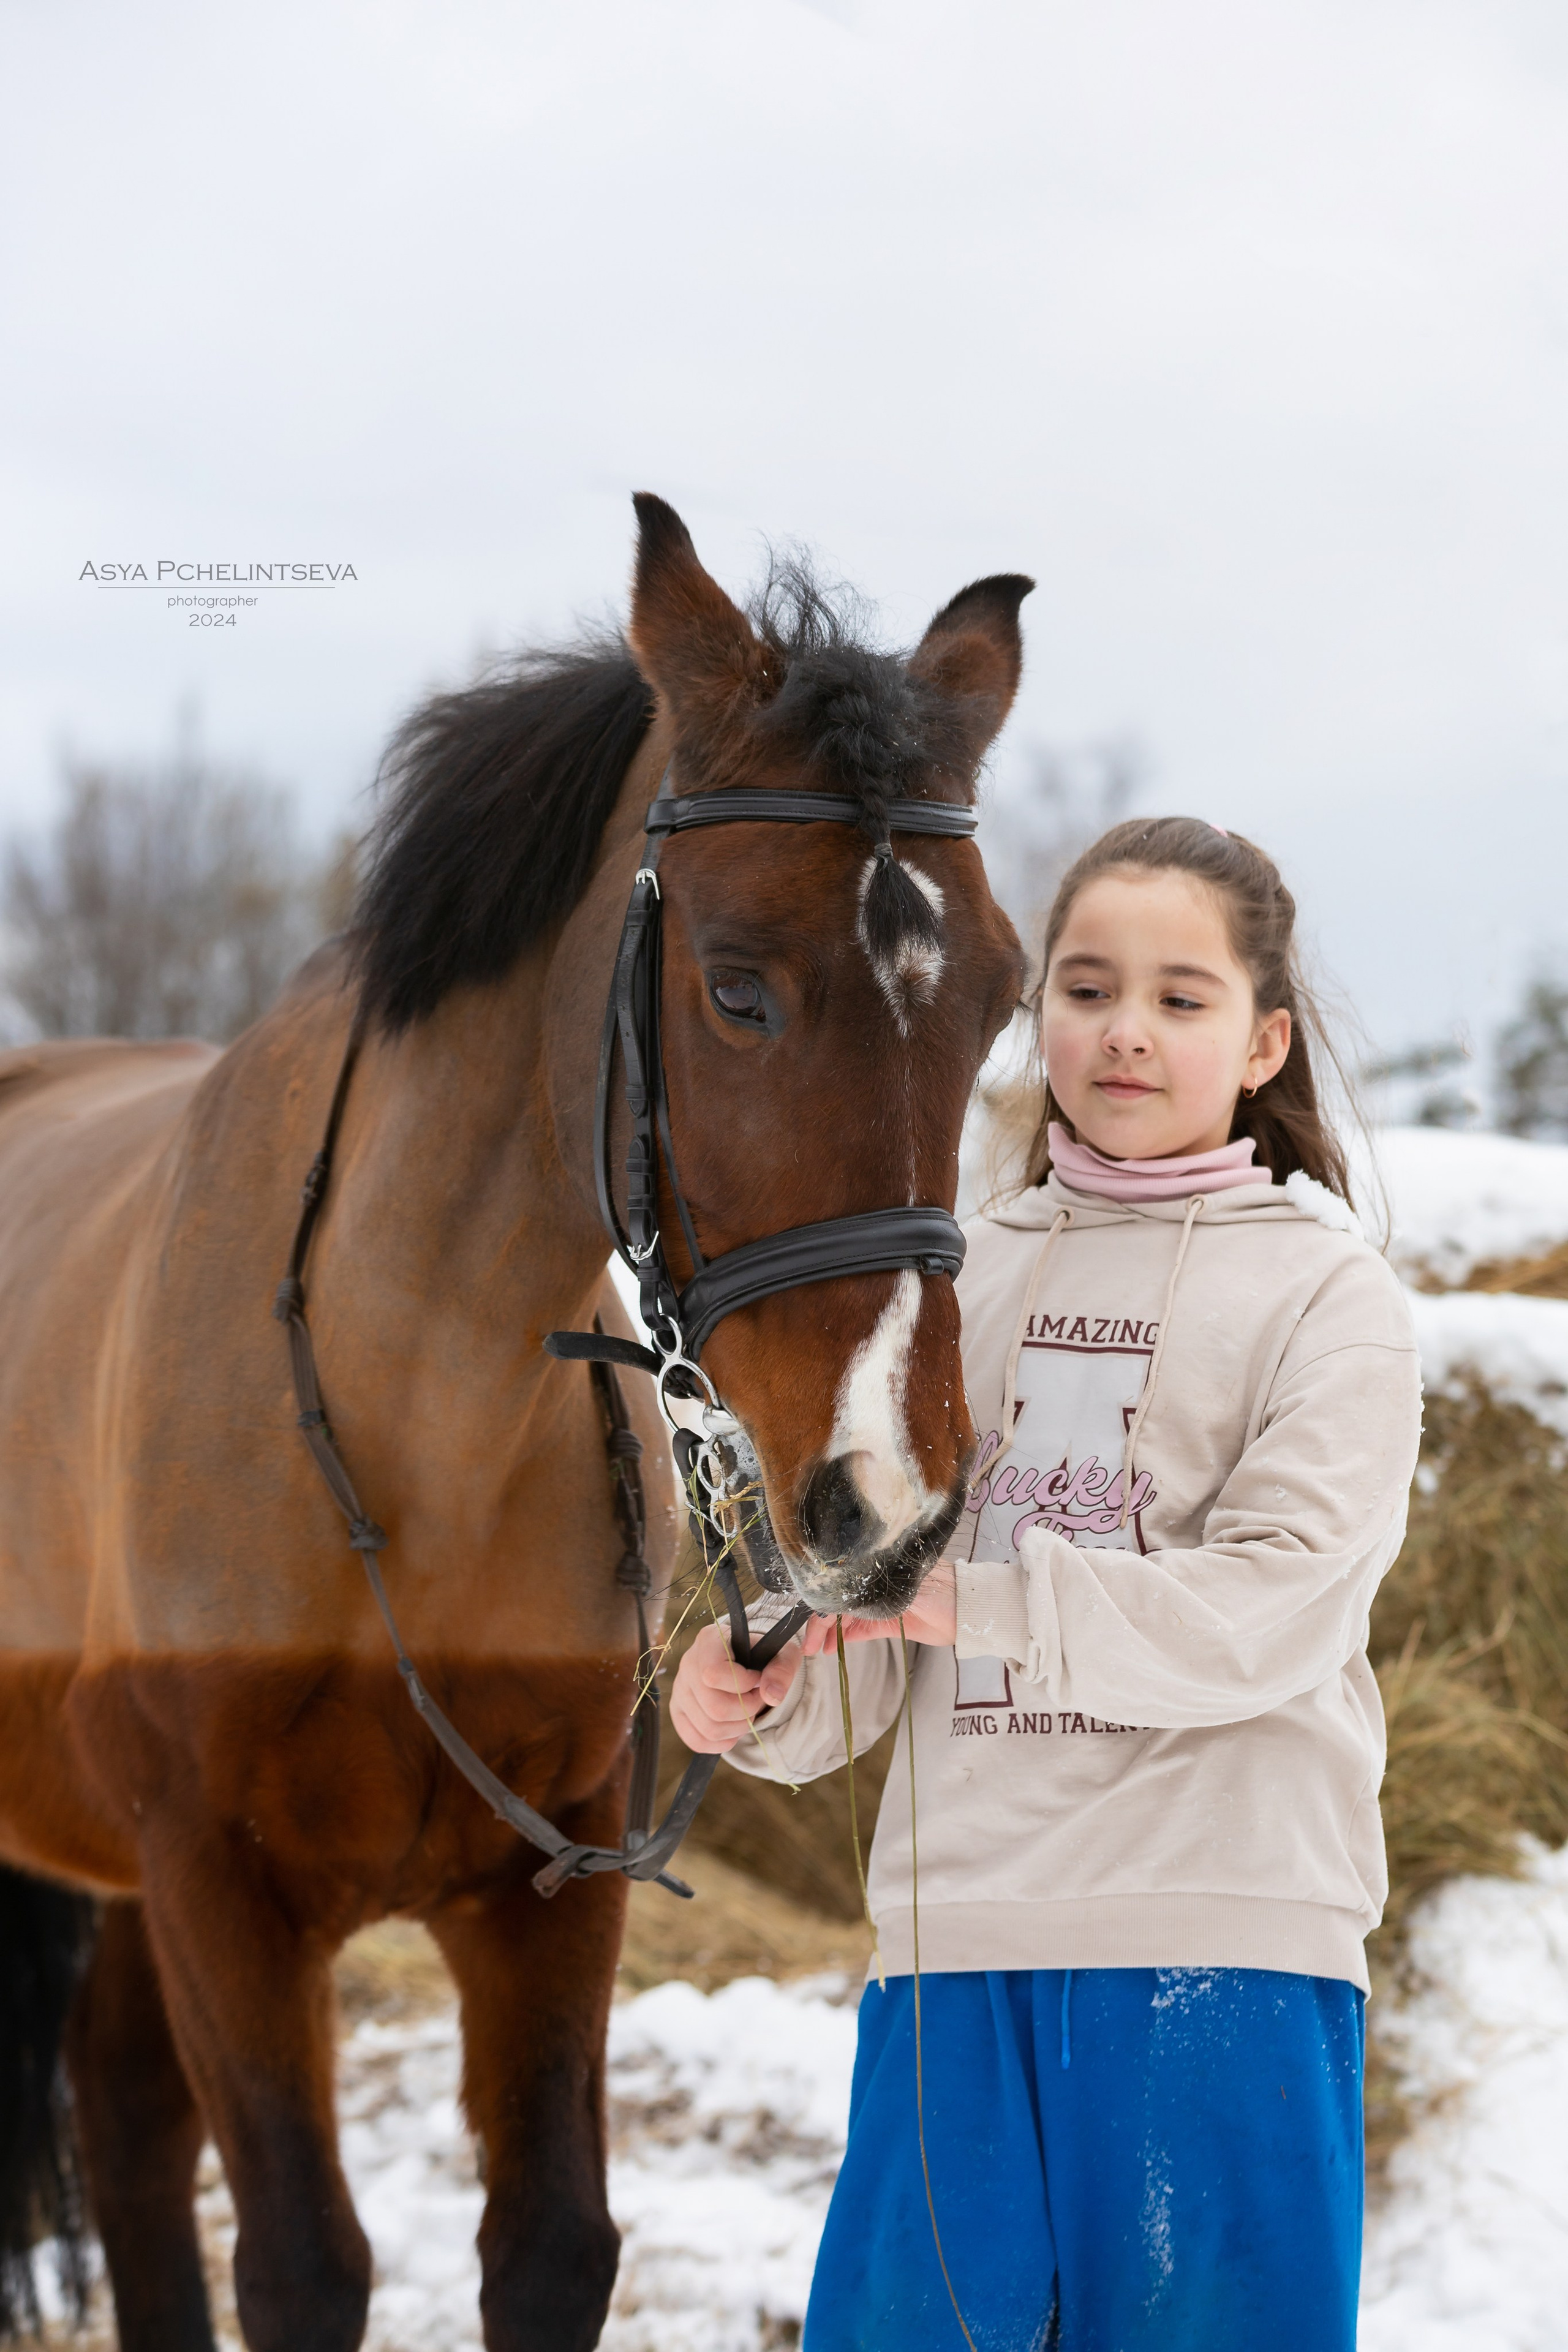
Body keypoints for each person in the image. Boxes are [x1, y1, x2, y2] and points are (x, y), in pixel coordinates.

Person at [670, 817, 1421, 2352]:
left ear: (1264, 1040)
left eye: (1179, 996)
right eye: (1084, 988)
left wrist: (970, 1603)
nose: (1124, 1030)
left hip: (1223, 1955)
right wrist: (759, 1687)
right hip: (955, 1957)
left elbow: (1270, 1612)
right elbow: (872, 1632)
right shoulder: (953, 1281)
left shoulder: (1326, 1295)